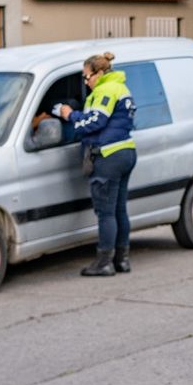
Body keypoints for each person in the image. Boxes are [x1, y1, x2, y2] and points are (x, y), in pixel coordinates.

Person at [53, 52, 137, 277]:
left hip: (108, 156)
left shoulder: (105, 90)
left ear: (99, 74)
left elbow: (95, 121)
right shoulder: (120, 87)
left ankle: (104, 263)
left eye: (86, 76)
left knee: (106, 213)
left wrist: (69, 115)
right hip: (125, 151)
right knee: (119, 209)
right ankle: (122, 259)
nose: (85, 81)